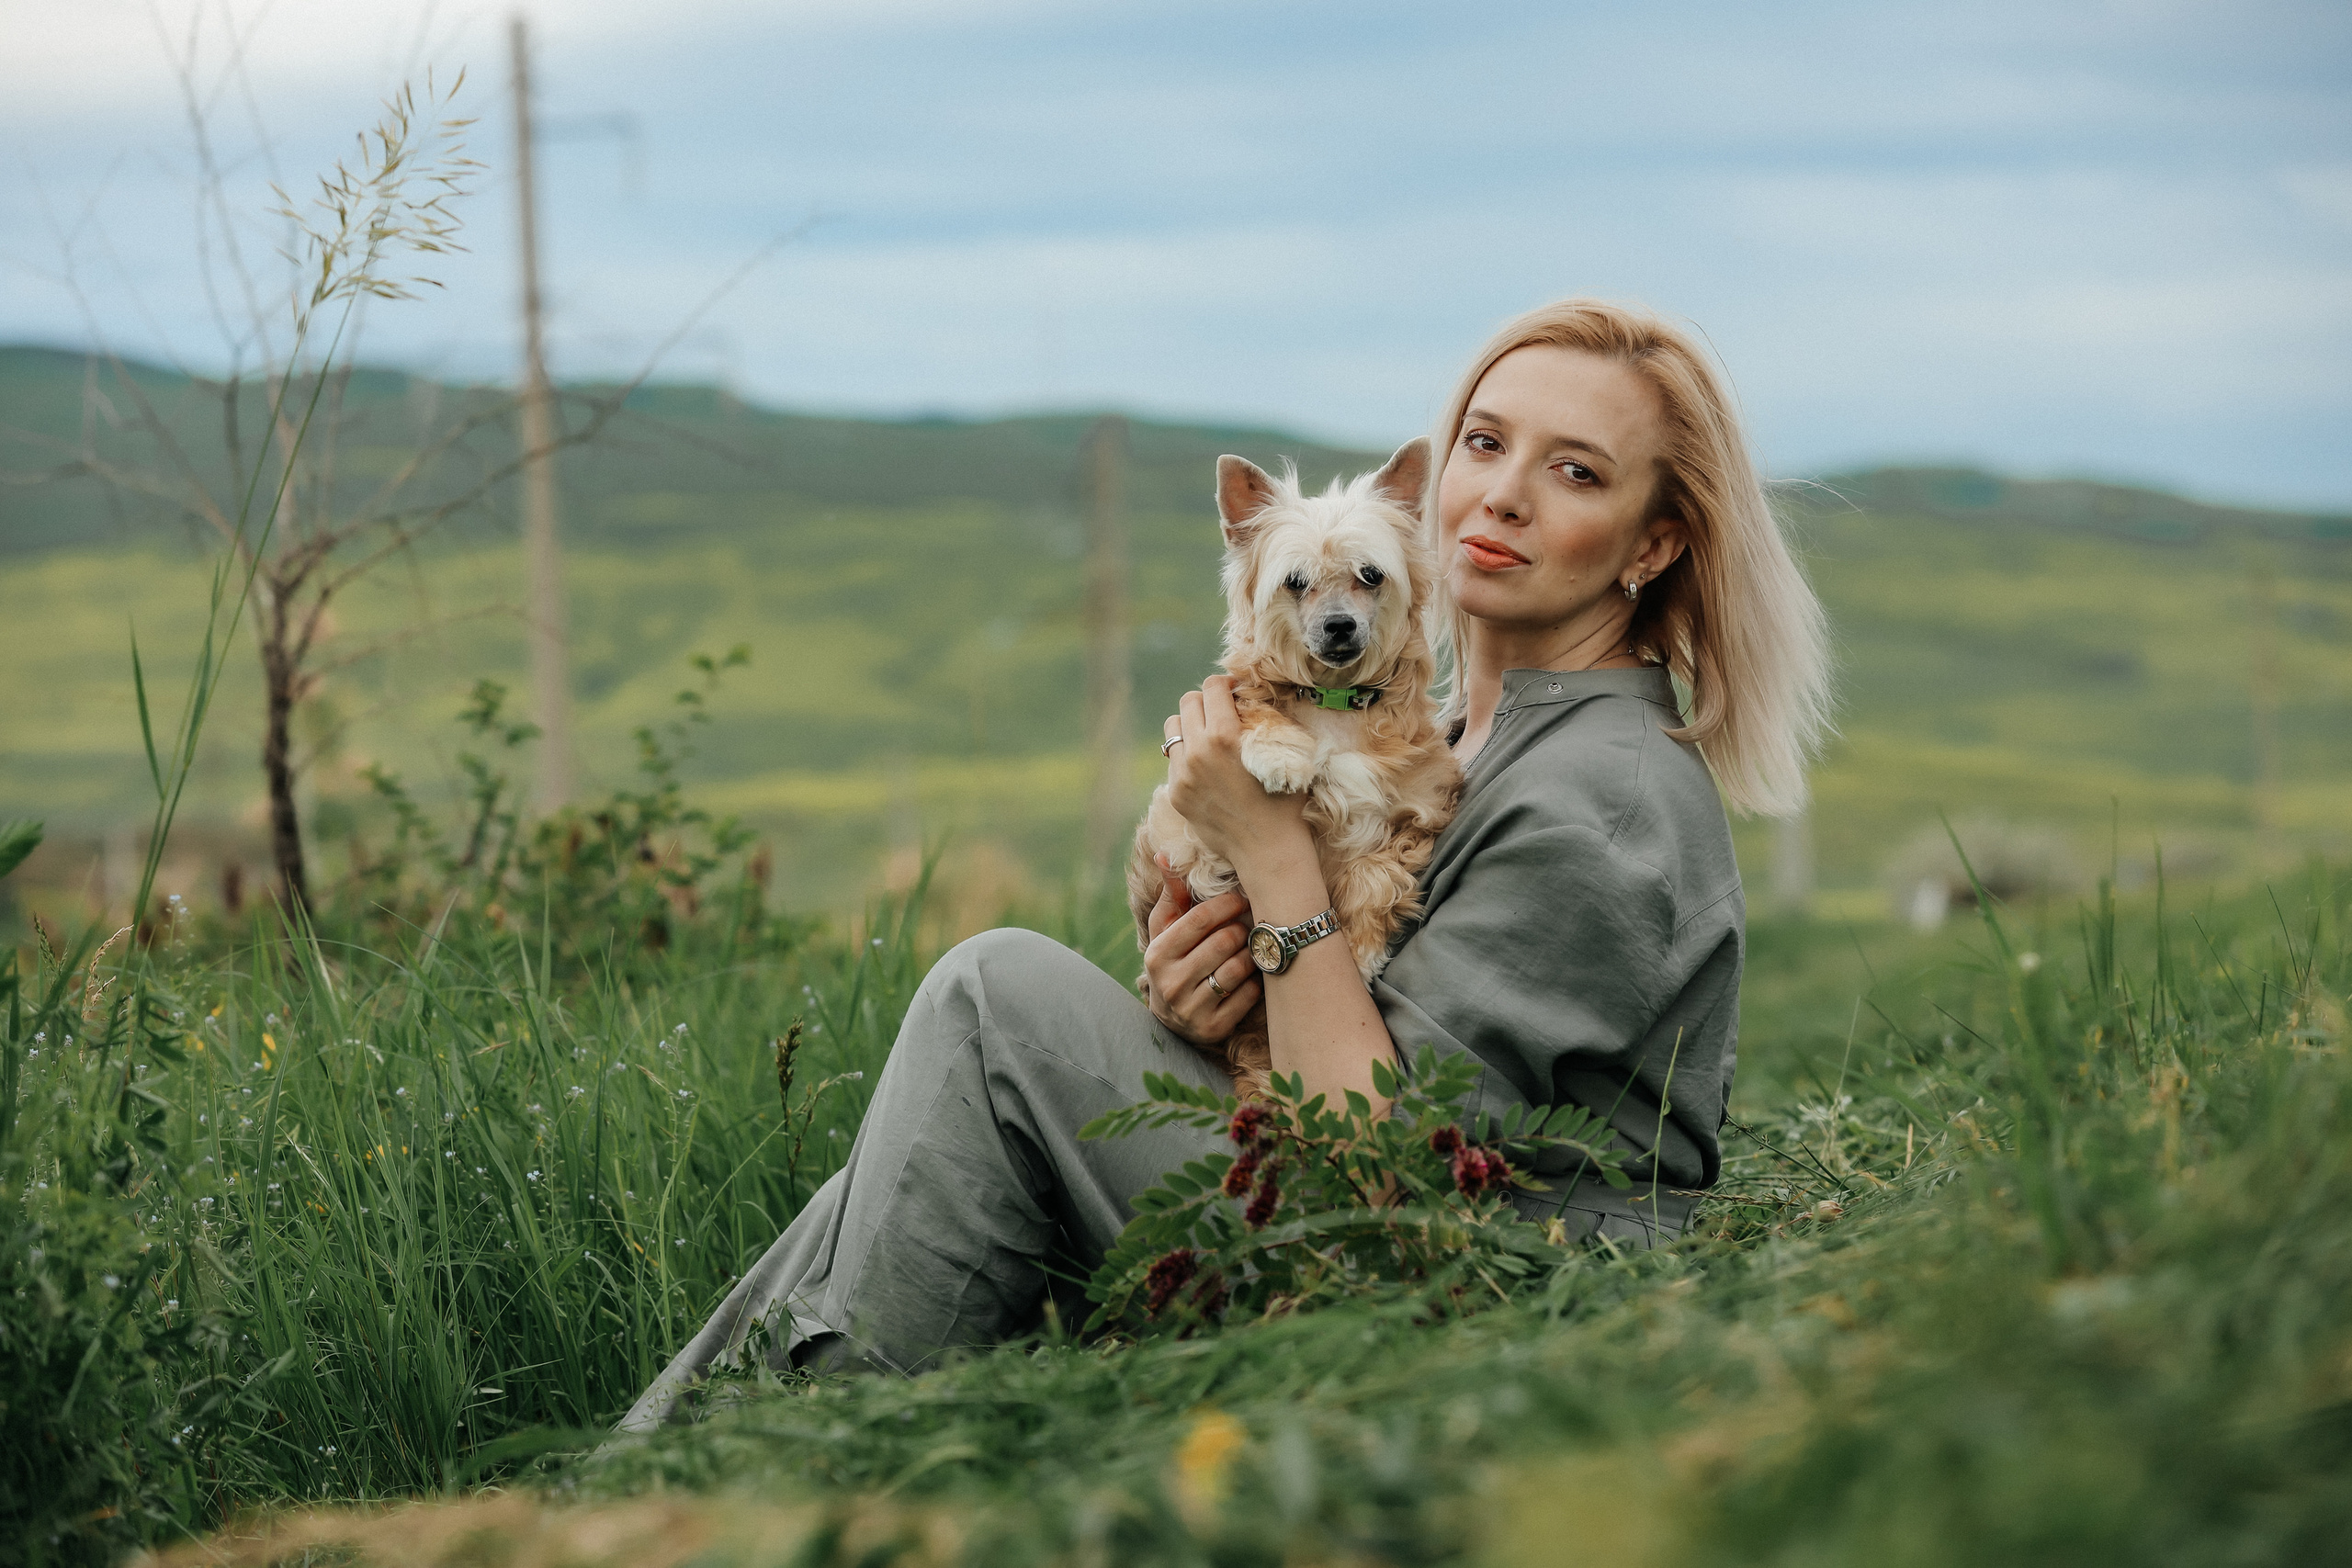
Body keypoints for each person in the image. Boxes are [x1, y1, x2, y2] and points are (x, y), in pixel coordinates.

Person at [617, 298, 1829, 1427]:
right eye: (1484, 441)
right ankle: (663, 1463)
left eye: (1573, 472)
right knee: (922, 1141)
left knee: (997, 1005)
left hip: (1468, 1293)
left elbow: (1382, 1166)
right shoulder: (1470, 733)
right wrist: (1205, 997)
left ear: (1654, 544)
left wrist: (1268, 847)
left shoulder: (1606, 789)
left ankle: (780, 1455)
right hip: (1366, 1214)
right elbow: (1346, 1006)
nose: (1498, 497)